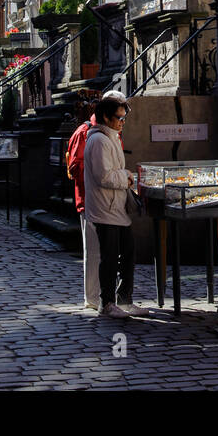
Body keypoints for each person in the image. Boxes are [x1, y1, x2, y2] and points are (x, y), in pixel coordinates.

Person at [66, 89, 128, 312]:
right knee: (94, 252)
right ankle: (93, 298)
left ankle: (102, 297)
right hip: (92, 201)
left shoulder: (110, 132)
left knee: (105, 253)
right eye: (119, 115)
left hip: (108, 201)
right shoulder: (87, 132)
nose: (122, 120)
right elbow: (79, 168)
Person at [84, 95, 145, 319]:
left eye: (124, 117)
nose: (122, 122)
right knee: (110, 258)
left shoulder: (109, 137)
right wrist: (127, 177)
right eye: (119, 117)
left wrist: (124, 177)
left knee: (127, 252)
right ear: (106, 118)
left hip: (114, 207)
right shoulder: (99, 140)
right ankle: (107, 302)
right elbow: (104, 176)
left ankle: (124, 299)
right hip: (105, 207)